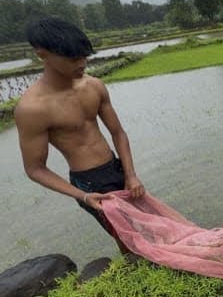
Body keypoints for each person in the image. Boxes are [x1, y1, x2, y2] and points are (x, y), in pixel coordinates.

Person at [14, 18, 146, 255]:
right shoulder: (33, 109)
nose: (82, 63)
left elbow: (118, 132)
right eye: (73, 58)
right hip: (89, 182)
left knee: (149, 228)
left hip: (116, 167)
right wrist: (82, 196)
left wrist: (131, 174)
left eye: (84, 56)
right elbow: (35, 169)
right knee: (128, 242)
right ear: (42, 54)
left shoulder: (93, 86)